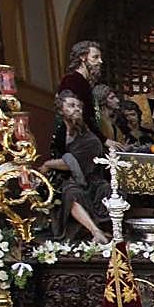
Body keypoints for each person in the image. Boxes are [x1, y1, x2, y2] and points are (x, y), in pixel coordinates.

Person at [40, 90, 111, 242]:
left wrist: (47, 164)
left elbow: (72, 163)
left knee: (82, 191)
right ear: (60, 110)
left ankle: (97, 231)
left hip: (90, 179)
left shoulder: (89, 138)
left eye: (79, 106)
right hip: (65, 180)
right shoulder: (60, 133)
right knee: (68, 192)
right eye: (71, 106)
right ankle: (92, 231)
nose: (77, 109)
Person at [55, 39, 103, 142]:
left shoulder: (84, 82)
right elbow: (75, 114)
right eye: (95, 57)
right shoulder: (72, 80)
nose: (100, 61)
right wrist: (102, 139)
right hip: (77, 139)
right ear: (82, 57)